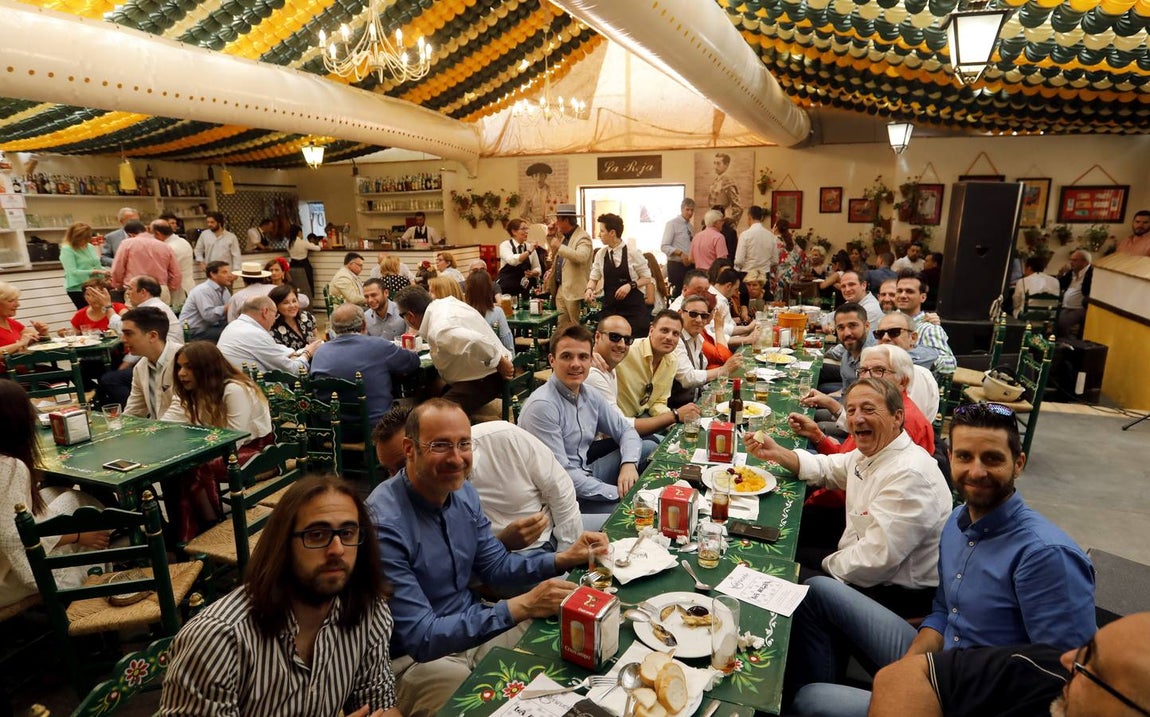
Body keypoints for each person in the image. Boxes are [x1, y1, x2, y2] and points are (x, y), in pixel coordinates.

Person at [783, 401, 1096, 717]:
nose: (976, 471)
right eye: (964, 457)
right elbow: (945, 610)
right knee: (818, 591)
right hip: (940, 653)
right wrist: (909, 670)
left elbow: (1070, 683)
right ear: (951, 459)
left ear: (1018, 463)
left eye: (992, 458)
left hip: (975, 699)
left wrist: (916, 689)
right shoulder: (958, 521)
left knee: (810, 699)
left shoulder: (1046, 556)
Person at [365, 399, 606, 717]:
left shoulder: (462, 493)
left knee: (562, 648)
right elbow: (421, 637)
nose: (456, 458)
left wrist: (564, 558)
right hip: (413, 661)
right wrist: (522, 606)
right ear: (410, 449)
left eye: (463, 444)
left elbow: (497, 568)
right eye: (440, 445)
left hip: (473, 627)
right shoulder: (382, 523)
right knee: (479, 704)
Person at [160, 474, 401, 717]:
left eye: (348, 533)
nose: (337, 549)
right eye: (317, 535)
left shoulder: (369, 611)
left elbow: (381, 707)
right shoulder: (218, 640)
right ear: (283, 545)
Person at [745, 378, 951, 615]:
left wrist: (822, 562)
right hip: (862, 560)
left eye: (869, 409)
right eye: (851, 410)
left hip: (893, 594)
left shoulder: (909, 475)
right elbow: (829, 468)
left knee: (772, 575)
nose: (857, 418)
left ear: (897, 417)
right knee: (777, 546)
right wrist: (778, 453)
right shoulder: (877, 452)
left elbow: (873, 563)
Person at [868, 612, 1150, 717]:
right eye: (1087, 645)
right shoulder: (1040, 669)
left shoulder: (1045, 554)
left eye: (1089, 661)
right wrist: (921, 650)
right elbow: (900, 676)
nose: (1068, 657)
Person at [517, 325, 648, 520]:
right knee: (631, 517)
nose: (576, 364)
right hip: (557, 500)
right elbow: (562, 477)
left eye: (583, 357)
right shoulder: (543, 406)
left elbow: (626, 431)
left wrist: (628, 464)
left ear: (590, 359)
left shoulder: (589, 394)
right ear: (552, 360)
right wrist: (618, 493)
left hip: (584, 473)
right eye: (567, 356)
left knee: (648, 447)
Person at [0, 380, 109, 609]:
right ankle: (94, 603)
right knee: (81, 512)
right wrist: (77, 537)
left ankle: (106, 532)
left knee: (59, 494)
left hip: (9, 557)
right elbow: (12, 538)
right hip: (8, 578)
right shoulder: (9, 467)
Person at [161, 341, 275, 539]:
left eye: (189, 367)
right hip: (217, 447)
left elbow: (236, 438)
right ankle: (184, 530)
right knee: (173, 469)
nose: (181, 373)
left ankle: (209, 525)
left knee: (194, 465)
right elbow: (168, 421)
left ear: (207, 368)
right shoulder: (190, 391)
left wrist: (196, 450)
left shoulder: (234, 389)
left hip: (255, 448)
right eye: (179, 367)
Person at [394, 285, 513, 414]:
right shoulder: (444, 303)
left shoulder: (439, 329)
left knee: (435, 416)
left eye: (402, 316)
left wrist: (499, 361)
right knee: (428, 394)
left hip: (486, 378)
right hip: (477, 374)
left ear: (410, 316)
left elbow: (474, 341)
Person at [309, 304, 420, 434]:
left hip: (330, 428)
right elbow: (413, 363)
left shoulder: (320, 352)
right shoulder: (378, 346)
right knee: (419, 402)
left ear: (333, 328)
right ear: (363, 324)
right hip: (377, 427)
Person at [594, 312, 701, 440]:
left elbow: (658, 402)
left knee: (677, 439)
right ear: (651, 330)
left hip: (640, 417)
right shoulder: (627, 350)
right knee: (655, 445)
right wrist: (590, 353)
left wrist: (671, 421)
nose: (669, 337)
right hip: (618, 425)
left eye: (675, 334)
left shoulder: (672, 360)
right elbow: (603, 350)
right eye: (664, 330)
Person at [584, 213, 653, 336]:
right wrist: (589, 289)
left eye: (602, 231)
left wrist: (630, 285)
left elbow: (647, 277)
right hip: (611, 309)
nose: (599, 235)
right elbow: (594, 278)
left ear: (612, 233)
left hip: (633, 310)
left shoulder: (632, 253)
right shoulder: (601, 254)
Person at [669, 293, 743, 407]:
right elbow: (687, 378)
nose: (699, 320)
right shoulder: (676, 339)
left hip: (697, 402)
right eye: (693, 314)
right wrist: (723, 370)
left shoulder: (698, 337)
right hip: (678, 409)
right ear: (680, 314)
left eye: (704, 316)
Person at [217, 296, 321, 375]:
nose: (274, 320)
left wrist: (296, 353)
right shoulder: (255, 333)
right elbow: (293, 370)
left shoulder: (233, 325)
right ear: (265, 312)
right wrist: (307, 353)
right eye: (275, 315)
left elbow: (274, 349)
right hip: (259, 392)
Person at [122, 306, 181, 420]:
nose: (123, 339)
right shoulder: (140, 368)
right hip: (160, 431)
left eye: (128, 334)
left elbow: (182, 409)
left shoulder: (184, 362)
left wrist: (157, 433)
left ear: (153, 336)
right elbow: (134, 411)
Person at [895, 271, 957, 373]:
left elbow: (950, 364)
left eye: (909, 291)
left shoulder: (929, 328)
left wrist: (914, 358)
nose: (902, 295)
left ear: (922, 297)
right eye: (899, 291)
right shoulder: (886, 321)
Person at [547, 204, 593, 330]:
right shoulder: (564, 237)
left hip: (574, 291)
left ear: (566, 220)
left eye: (558, 220)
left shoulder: (582, 237)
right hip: (561, 289)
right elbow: (555, 255)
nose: (556, 223)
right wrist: (551, 236)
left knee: (576, 327)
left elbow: (581, 257)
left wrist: (559, 246)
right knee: (562, 327)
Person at [110, 221, 182, 301]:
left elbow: (118, 269)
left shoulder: (127, 244)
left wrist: (118, 285)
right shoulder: (164, 245)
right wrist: (170, 288)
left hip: (136, 290)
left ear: (130, 235)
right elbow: (176, 273)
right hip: (160, 289)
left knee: (136, 313)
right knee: (161, 313)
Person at [179, 260, 233, 342]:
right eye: (224, 272)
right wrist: (227, 307)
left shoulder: (225, 290)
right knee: (230, 333)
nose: (230, 275)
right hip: (193, 332)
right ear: (213, 274)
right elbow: (209, 316)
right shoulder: (203, 290)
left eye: (229, 272)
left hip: (210, 328)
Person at [60, 222, 109, 309]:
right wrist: (95, 271)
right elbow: (72, 271)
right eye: (82, 239)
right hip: (78, 288)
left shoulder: (89, 246)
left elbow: (96, 264)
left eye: (87, 238)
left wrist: (105, 272)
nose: (85, 241)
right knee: (87, 314)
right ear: (74, 238)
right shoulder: (67, 249)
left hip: (96, 286)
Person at [464, 270, 514, 352]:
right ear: (489, 289)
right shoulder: (497, 312)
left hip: (470, 361)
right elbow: (507, 344)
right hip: (493, 360)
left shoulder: (463, 312)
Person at [496, 217, 541, 298]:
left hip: (525, 290)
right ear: (514, 231)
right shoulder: (505, 245)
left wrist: (533, 273)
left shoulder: (530, 247)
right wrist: (528, 252)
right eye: (523, 229)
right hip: (507, 290)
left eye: (527, 228)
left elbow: (538, 268)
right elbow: (512, 260)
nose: (526, 231)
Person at [158, 213, 195, 308]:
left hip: (179, 288)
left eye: (174, 223)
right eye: (172, 223)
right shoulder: (179, 241)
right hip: (187, 286)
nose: (174, 225)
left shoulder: (171, 246)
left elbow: (169, 271)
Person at [734, 205, 779, 280]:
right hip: (764, 275)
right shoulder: (771, 236)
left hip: (748, 275)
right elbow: (775, 260)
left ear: (749, 217)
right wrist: (764, 265)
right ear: (761, 218)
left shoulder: (744, 235)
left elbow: (739, 260)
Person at [661, 198, 695, 295]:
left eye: (692, 210)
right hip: (676, 266)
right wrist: (680, 253)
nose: (690, 213)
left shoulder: (691, 227)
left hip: (689, 266)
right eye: (687, 209)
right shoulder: (672, 224)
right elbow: (664, 246)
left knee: (690, 294)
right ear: (682, 209)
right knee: (678, 295)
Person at [269, 284, 317, 352]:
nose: (292, 305)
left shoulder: (307, 317)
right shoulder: (272, 329)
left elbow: (315, 339)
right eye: (286, 303)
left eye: (294, 301)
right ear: (276, 306)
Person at [1057, 249, 1093, 338]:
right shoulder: (1072, 272)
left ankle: (1068, 343)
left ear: (1084, 262)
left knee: (1062, 322)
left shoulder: (1091, 273)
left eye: (1074, 260)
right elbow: (1059, 284)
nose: (1071, 262)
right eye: (1071, 260)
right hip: (1067, 307)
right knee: (1055, 320)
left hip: (1080, 308)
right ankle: (1064, 341)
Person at [772, 218, 809, 301]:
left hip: (779, 278)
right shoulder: (792, 241)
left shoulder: (773, 240)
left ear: (776, 228)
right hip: (793, 279)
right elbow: (805, 260)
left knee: (779, 306)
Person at [707, 152, 742, 226]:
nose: (715, 166)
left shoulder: (728, 181)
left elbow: (738, 207)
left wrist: (730, 223)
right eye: (715, 163)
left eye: (718, 163)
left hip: (722, 222)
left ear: (726, 165)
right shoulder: (716, 180)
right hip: (713, 222)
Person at [287, 223, 321, 297]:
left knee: (296, 286)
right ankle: (309, 302)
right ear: (299, 233)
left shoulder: (288, 244)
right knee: (307, 286)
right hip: (304, 266)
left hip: (292, 266)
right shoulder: (303, 243)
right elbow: (318, 248)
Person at [690, 208, 728, 273]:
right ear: (715, 223)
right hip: (712, 274)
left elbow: (691, 259)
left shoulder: (696, 236)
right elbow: (722, 261)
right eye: (721, 221)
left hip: (698, 274)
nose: (723, 223)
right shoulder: (718, 237)